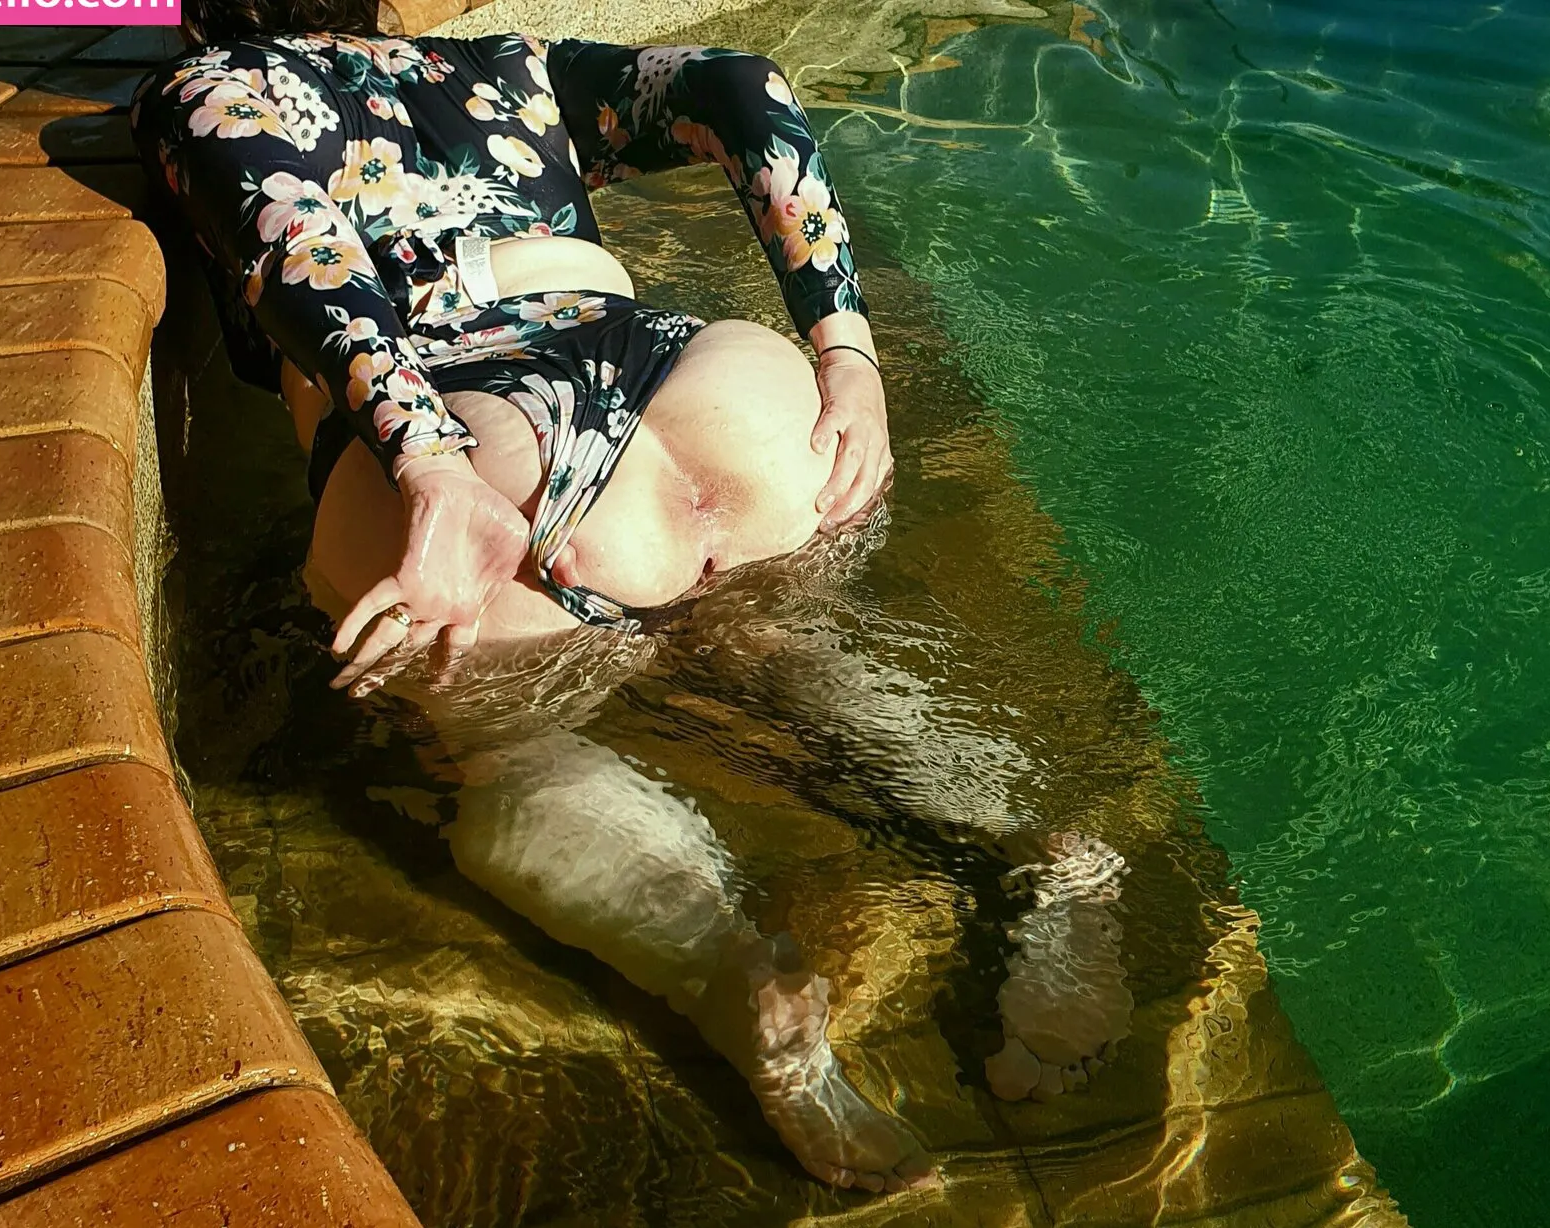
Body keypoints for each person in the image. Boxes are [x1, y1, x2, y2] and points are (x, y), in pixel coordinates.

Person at [136, 1, 1132, 1195]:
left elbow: (293, 230)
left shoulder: (217, 86)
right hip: (719, 391)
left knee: (507, 753)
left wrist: (432, 468)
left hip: (492, 437)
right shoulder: (508, 65)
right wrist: (848, 355)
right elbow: (748, 87)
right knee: (780, 638)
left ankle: (730, 975)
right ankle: (1038, 848)